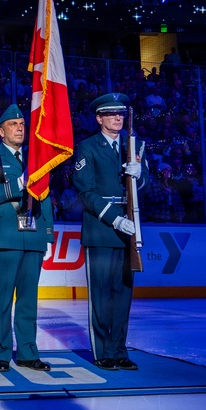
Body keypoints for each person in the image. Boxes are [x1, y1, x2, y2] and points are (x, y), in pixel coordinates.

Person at [0, 104, 55, 373]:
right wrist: (20, 183)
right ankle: (2, 353)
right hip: (5, 235)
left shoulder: (37, 158)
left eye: (22, 124)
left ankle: (28, 352)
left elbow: (46, 198)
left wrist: (47, 235)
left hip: (33, 236)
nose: (19, 127)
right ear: (1, 131)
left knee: (29, 299)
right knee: (4, 298)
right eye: (12, 124)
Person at [72, 93, 146, 371]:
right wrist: (115, 219)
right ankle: (103, 351)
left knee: (123, 294)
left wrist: (140, 175)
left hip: (129, 227)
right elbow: (86, 192)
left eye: (121, 114)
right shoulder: (87, 147)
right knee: (102, 294)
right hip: (103, 228)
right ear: (99, 118)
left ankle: (119, 350)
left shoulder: (133, 146)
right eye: (111, 114)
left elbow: (141, 188)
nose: (118, 118)